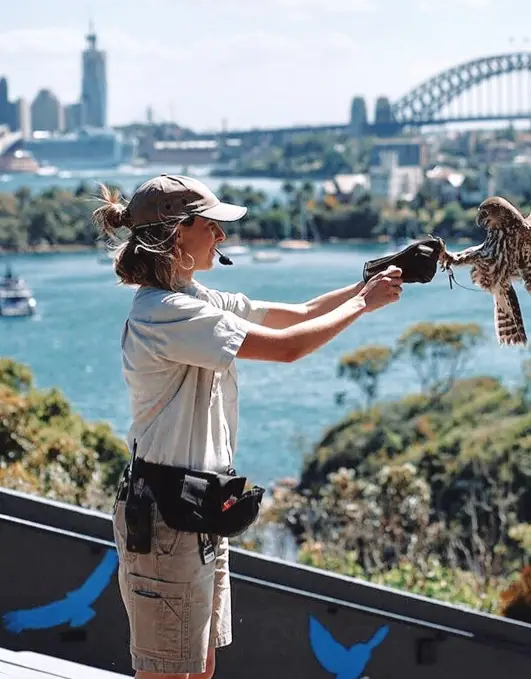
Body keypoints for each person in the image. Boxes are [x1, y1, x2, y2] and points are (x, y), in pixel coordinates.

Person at [92, 174, 440, 679]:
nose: (221, 237)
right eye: (211, 226)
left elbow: (292, 316)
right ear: (176, 233)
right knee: (168, 672)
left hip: (198, 508)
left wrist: (379, 276)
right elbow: (288, 347)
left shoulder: (195, 300)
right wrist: (365, 303)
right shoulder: (166, 314)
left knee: (200, 667)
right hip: (167, 516)